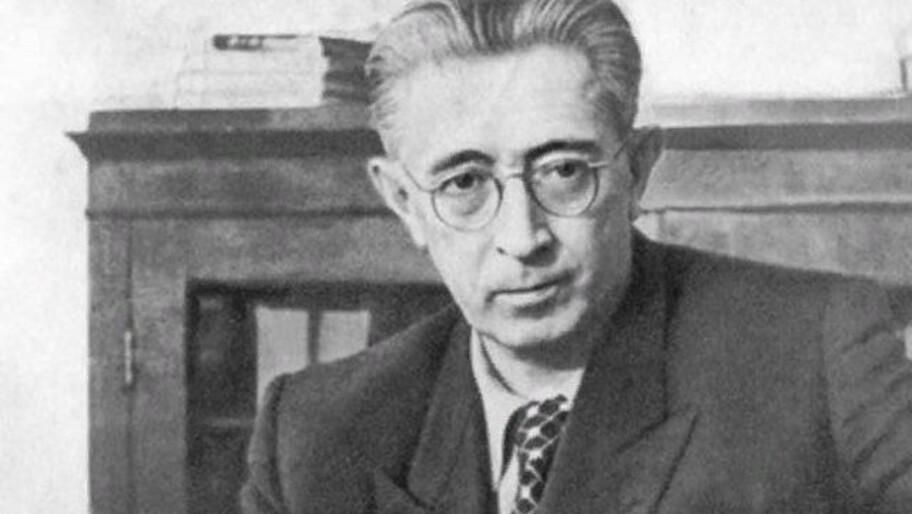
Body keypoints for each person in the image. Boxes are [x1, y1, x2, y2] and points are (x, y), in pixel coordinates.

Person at [241, 0, 912, 512]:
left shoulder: (816, 355)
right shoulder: (315, 433)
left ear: (637, 170)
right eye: (465, 183)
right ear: (404, 202)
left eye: (563, 170)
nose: (522, 236)